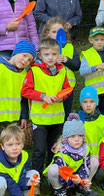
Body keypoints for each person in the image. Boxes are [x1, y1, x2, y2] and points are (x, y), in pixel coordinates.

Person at [21, 38, 71, 175]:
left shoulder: (63, 71)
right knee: (39, 149)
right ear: (40, 56)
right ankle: (35, 178)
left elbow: (67, 89)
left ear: (58, 54)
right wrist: (43, 97)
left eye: (54, 54)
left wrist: (62, 97)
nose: (50, 57)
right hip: (40, 120)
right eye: (47, 54)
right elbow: (25, 91)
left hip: (57, 118)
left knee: (54, 149)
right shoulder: (34, 72)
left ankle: (51, 176)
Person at [45, 113, 99, 196]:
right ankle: (59, 189)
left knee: (94, 160)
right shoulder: (62, 152)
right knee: (52, 169)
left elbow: (85, 166)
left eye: (79, 136)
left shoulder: (85, 149)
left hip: (77, 176)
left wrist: (82, 179)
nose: (77, 139)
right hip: (64, 177)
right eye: (72, 136)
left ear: (83, 137)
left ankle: (84, 185)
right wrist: (72, 180)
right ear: (66, 139)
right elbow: (62, 173)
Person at [40, 17, 80, 119]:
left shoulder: (69, 47)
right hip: (49, 88)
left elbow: (77, 65)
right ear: (47, 33)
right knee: (51, 114)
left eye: (60, 32)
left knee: (66, 114)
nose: (56, 34)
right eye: (53, 32)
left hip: (67, 88)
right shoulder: (44, 49)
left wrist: (66, 60)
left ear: (65, 33)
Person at [80, 27, 104, 121]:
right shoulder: (87, 54)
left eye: (102, 39)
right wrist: (96, 67)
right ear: (90, 40)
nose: (99, 42)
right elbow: (82, 71)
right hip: (92, 93)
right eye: (96, 40)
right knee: (93, 117)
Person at [0, 40, 36, 130]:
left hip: (14, 119)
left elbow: (24, 97)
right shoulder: (1, 67)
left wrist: (24, 116)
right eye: (24, 55)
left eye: (29, 60)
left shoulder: (24, 74)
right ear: (16, 52)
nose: (25, 61)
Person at [0, 124, 40, 196]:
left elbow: (22, 176)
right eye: (10, 145)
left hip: (17, 183)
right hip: (5, 187)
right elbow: (10, 182)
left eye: (18, 144)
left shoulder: (25, 156)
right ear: (2, 146)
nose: (14, 148)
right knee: (1, 182)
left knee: (34, 173)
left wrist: (27, 182)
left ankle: (29, 192)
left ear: (23, 145)